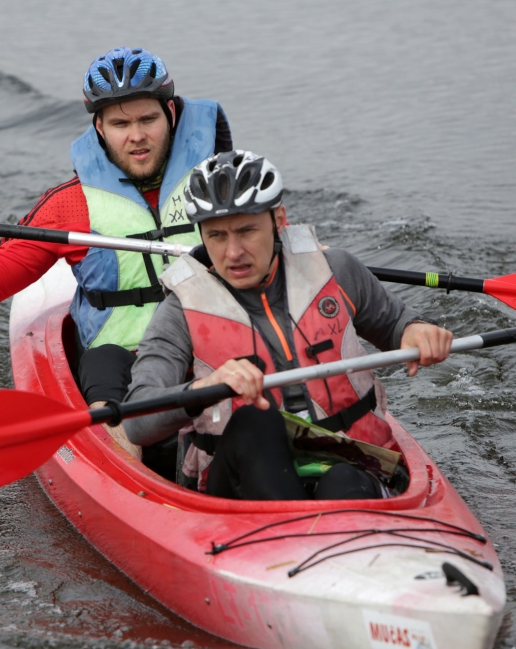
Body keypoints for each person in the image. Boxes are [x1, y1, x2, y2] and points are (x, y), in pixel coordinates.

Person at [0, 47, 232, 458]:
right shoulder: (69, 207)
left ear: (171, 114)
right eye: (120, 124)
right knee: (103, 360)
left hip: (217, 351)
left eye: (147, 119)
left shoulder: (226, 186)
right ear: (99, 128)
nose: (136, 136)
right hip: (122, 367)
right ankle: (127, 473)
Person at [123, 151, 453, 500]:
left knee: (344, 481)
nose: (233, 252)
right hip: (240, 485)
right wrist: (204, 388)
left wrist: (416, 330)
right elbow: (137, 422)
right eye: (216, 235)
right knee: (254, 420)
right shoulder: (179, 309)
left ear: (279, 220)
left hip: (348, 466)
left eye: (247, 231)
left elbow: (397, 325)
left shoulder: (337, 269)